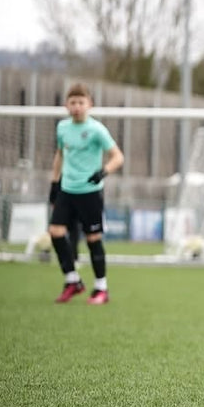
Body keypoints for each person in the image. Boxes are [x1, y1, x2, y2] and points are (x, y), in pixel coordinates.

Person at [49, 82, 125, 305]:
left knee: (92, 238)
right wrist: (54, 184)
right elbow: (59, 155)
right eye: (72, 102)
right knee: (55, 231)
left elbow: (118, 157)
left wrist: (103, 172)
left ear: (89, 104)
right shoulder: (62, 128)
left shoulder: (97, 130)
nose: (77, 107)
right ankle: (72, 280)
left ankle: (101, 287)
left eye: (81, 102)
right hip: (66, 190)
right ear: (66, 105)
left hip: (90, 192)